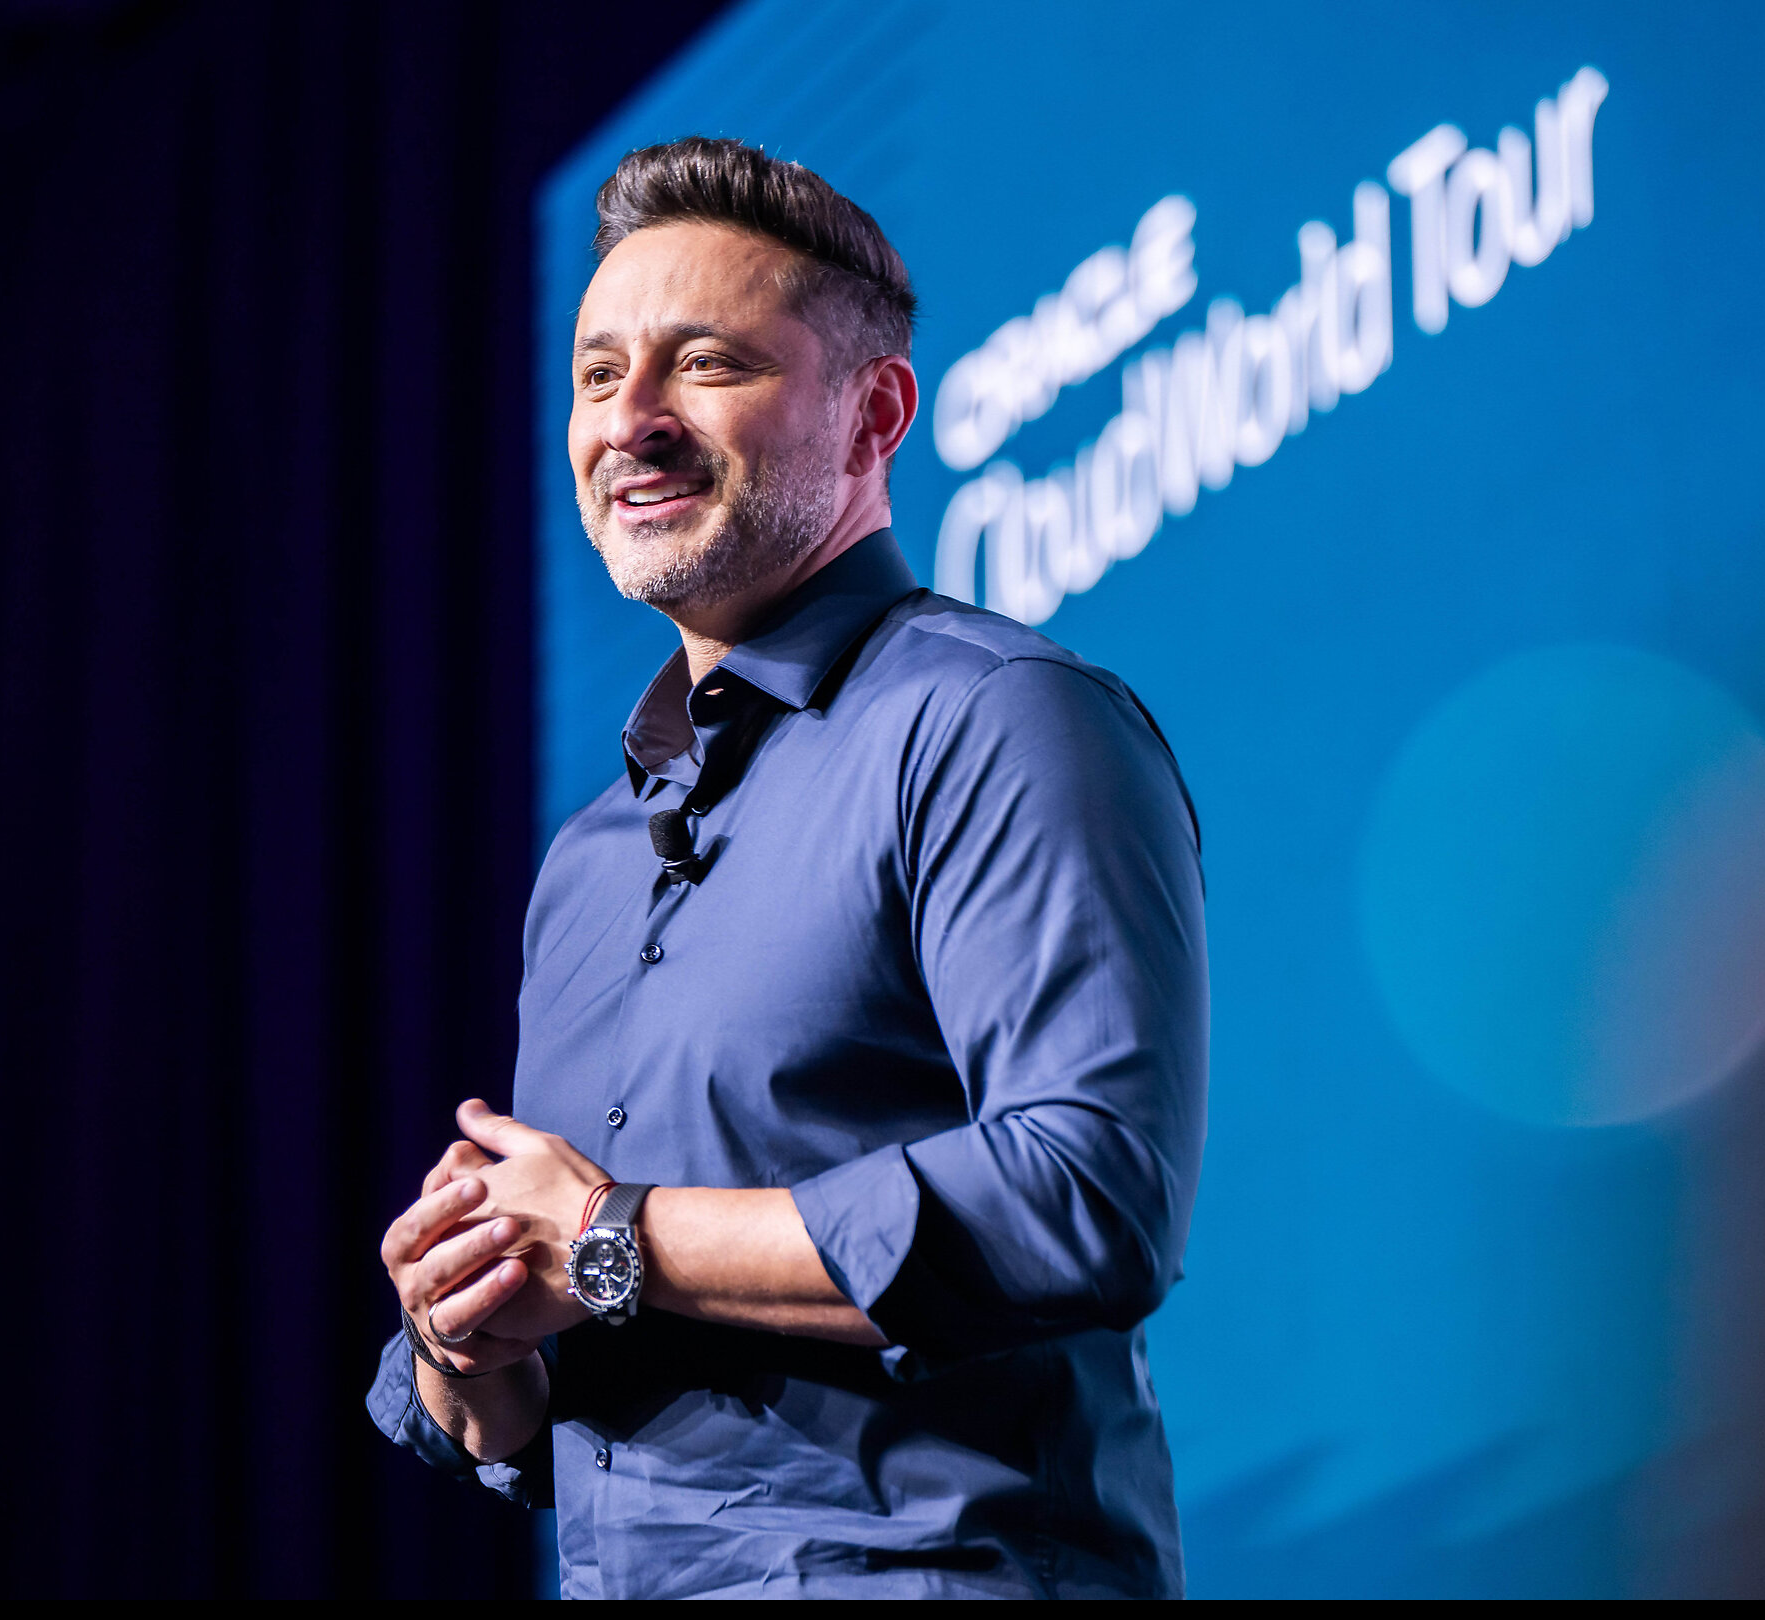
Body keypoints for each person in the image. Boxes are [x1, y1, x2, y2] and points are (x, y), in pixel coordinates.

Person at [367, 136, 1208, 1599]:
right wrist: (467, 1326)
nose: (631, 421)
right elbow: (559, 1410)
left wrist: (610, 1236)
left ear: (874, 414)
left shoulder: (994, 718)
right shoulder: (589, 861)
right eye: (597, 375)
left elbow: (1090, 1195)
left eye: (704, 365)